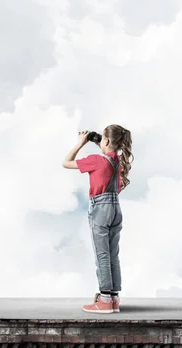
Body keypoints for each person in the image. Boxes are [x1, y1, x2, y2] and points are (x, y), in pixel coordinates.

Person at [62, 124, 134, 314]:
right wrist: (99, 141)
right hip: (116, 208)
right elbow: (108, 158)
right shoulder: (117, 161)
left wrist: (81, 143)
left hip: (100, 208)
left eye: (102, 138)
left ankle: (104, 300)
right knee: (112, 255)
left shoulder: (95, 161)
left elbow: (66, 162)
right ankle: (114, 298)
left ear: (107, 141)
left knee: (101, 255)